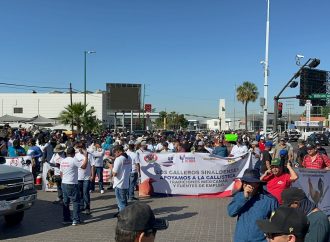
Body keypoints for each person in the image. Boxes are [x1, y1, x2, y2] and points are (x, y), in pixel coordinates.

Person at [227, 169, 279, 242]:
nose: (246, 184)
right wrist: (244, 198)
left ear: (257, 184)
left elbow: (277, 221)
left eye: (249, 182)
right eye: (244, 181)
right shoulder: (239, 196)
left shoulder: (269, 200)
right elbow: (231, 213)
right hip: (240, 239)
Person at [60, 147, 88, 226]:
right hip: (71, 183)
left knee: (66, 202)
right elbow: (84, 166)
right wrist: (86, 156)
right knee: (76, 202)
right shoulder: (73, 160)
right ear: (73, 153)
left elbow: (61, 173)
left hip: (64, 183)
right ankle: (76, 220)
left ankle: (66, 219)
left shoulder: (63, 161)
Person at [75, 143, 93, 215]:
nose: (80, 149)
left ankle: (87, 208)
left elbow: (92, 166)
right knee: (80, 193)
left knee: (86, 193)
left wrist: (92, 175)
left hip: (87, 177)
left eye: (81, 147)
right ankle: (81, 206)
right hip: (78, 177)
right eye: (78, 147)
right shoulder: (76, 155)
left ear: (84, 147)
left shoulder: (89, 155)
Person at [112, 145, 132, 211]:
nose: (114, 154)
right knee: (124, 202)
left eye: (115, 152)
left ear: (118, 151)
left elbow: (114, 174)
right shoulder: (129, 157)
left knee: (121, 203)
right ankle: (123, 214)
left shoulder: (119, 159)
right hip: (126, 183)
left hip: (119, 184)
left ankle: (124, 218)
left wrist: (110, 166)